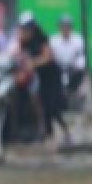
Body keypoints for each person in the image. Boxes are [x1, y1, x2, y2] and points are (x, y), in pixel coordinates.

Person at [18, 12, 69, 143]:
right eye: (23, 28)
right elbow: (21, 56)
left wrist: (33, 63)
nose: (25, 31)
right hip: (40, 77)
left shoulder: (42, 38)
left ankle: (66, 132)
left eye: (27, 28)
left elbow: (48, 57)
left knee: (52, 107)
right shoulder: (24, 41)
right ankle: (47, 135)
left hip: (51, 76)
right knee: (42, 106)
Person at [49, 14, 87, 100]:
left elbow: (81, 56)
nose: (65, 29)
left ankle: (73, 92)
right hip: (58, 67)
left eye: (67, 26)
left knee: (80, 73)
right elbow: (50, 56)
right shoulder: (53, 40)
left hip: (73, 68)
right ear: (59, 27)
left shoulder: (78, 39)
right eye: (63, 26)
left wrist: (78, 66)